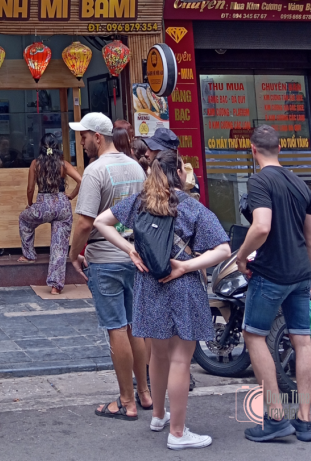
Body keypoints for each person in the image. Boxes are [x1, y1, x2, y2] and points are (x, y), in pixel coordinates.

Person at [95, 150, 231, 450]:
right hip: (182, 286)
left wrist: (129, 250)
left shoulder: (140, 203)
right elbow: (222, 249)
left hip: (149, 284)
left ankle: (158, 417)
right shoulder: (192, 208)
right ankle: (179, 433)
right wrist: (186, 265)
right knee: (182, 360)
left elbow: (101, 222)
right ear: (179, 174)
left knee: (157, 355)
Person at [237, 125, 311, 443]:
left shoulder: (259, 180)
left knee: (254, 335)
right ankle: (305, 421)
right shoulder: (301, 184)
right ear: (280, 148)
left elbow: (261, 227)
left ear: (253, 150)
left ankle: (274, 418)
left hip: (270, 274)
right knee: (302, 340)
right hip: (299, 273)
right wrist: (308, 274)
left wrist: (242, 257)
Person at [67, 112, 149, 419]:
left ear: (98, 137)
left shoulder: (94, 171)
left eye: (84, 136)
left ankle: (126, 400)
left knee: (116, 327)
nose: (83, 141)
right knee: (136, 328)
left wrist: (74, 254)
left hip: (105, 258)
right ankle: (144, 392)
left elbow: (85, 223)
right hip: (135, 255)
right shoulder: (136, 168)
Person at [18, 133, 82, 294]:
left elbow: (30, 188)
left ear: (41, 146)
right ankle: (55, 286)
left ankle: (29, 255)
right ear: (57, 146)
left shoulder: (35, 163)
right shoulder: (63, 164)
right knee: (59, 246)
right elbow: (82, 180)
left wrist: (31, 204)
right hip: (62, 205)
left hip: (43, 204)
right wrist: (72, 196)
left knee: (24, 220)